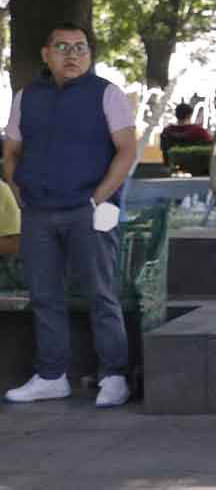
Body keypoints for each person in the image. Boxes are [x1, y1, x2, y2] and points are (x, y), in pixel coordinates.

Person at [3, 22, 138, 408]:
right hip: (39, 211)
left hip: (91, 211)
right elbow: (11, 149)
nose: (72, 54)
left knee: (101, 293)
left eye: (80, 47)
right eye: (62, 46)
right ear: (46, 54)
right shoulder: (27, 97)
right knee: (44, 296)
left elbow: (126, 150)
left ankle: (114, 376)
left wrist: (99, 198)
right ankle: (51, 376)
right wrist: (16, 186)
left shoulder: (106, 94)